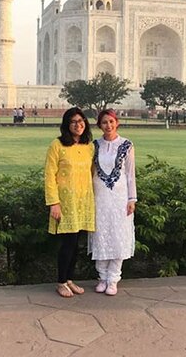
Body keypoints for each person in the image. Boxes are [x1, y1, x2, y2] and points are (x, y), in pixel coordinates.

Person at [44, 107, 95, 298]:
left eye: (81, 121)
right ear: (66, 125)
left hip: (83, 201)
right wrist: (54, 203)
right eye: (73, 122)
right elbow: (49, 175)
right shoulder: (57, 145)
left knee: (76, 244)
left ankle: (70, 279)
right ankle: (61, 282)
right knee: (68, 243)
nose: (78, 125)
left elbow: (92, 173)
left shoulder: (89, 146)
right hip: (65, 202)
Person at [88, 109, 137, 296]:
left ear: (117, 123)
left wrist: (132, 199)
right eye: (104, 122)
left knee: (118, 235)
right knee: (101, 234)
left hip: (119, 197)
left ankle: (113, 278)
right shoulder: (94, 146)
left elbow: (130, 174)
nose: (108, 126)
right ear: (99, 125)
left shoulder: (126, 145)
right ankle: (102, 277)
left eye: (111, 121)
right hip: (100, 196)